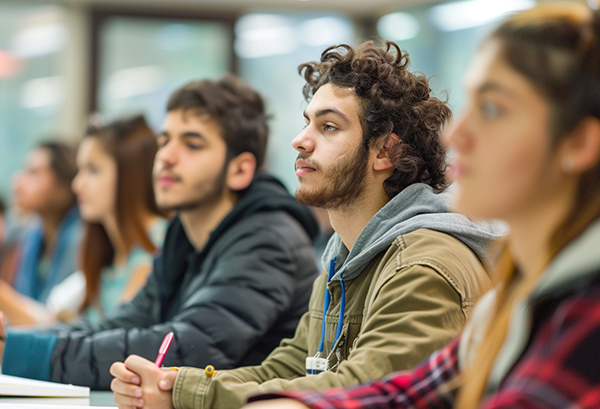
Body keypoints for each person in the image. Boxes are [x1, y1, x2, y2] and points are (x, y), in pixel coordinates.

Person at [239, 3, 600, 409]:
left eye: (493, 108)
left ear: (578, 144)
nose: (456, 134)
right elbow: (409, 391)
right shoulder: (519, 292)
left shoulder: (585, 314)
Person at [109, 41, 503, 409]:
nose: (300, 140)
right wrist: (174, 380)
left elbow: (362, 385)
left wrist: (186, 394)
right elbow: (287, 370)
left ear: (386, 151)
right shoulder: (343, 256)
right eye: (306, 124)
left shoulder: (424, 262)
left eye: (328, 127)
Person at [0, 74, 320, 390]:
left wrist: (16, 353)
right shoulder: (183, 240)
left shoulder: (268, 239)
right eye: (164, 140)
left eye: (192, 144)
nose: (165, 156)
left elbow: (184, 347)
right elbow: (117, 325)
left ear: (240, 170)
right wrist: (11, 342)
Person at [44, 115, 169, 324]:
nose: (77, 185)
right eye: (80, 170)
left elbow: (114, 336)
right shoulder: (107, 248)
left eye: (93, 170)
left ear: (130, 174)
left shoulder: (158, 243)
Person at [0, 142, 81, 325]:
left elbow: (56, 320)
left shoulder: (81, 239)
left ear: (64, 184)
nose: (17, 181)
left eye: (33, 173)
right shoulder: (30, 236)